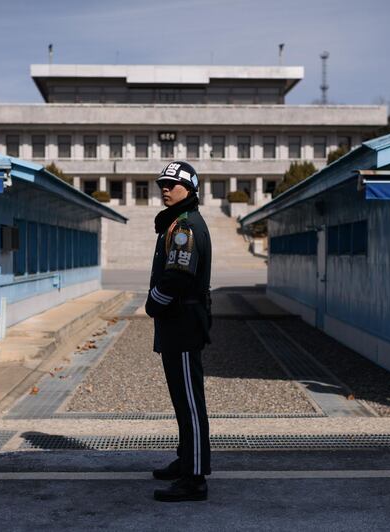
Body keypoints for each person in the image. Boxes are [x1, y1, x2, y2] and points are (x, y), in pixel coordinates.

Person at [146, 161, 213, 502]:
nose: (165, 188)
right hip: (178, 324)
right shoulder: (176, 223)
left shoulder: (185, 226)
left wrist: (152, 302)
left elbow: (177, 277)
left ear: (190, 189)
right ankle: (186, 459)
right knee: (181, 400)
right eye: (163, 183)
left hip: (184, 323)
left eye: (173, 184)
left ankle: (196, 478)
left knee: (190, 402)